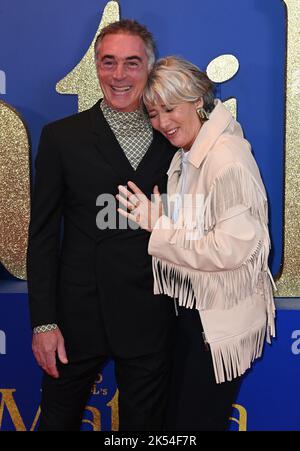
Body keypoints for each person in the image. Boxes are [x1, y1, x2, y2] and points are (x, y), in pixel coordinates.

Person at [27, 20, 176, 431]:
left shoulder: (176, 138)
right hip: (76, 319)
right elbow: (41, 237)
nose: (119, 75)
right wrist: (44, 322)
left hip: (152, 316)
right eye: (109, 62)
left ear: (150, 66)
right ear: (96, 67)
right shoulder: (62, 138)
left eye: (131, 63)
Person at [117, 56, 276, 431]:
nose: (162, 123)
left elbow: (232, 249)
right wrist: (166, 220)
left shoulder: (225, 158)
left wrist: (160, 228)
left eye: (170, 109)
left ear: (199, 101)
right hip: (195, 313)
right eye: (153, 113)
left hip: (215, 324)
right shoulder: (189, 155)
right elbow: (200, 233)